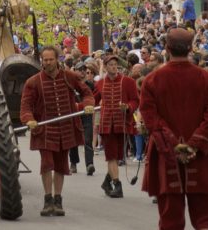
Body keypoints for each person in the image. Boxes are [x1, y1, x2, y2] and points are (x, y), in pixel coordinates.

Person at [140, 27, 208, 230]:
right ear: (191, 48)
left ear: (166, 48)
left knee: (170, 221)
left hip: (166, 157)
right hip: (201, 155)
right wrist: (194, 144)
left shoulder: (151, 81)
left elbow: (152, 120)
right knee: (206, 219)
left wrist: (176, 145)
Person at [20, 45, 95, 216]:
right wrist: (29, 119)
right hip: (44, 130)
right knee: (47, 164)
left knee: (61, 166)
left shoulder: (70, 76)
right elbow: (25, 106)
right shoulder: (33, 82)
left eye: (50, 59)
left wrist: (88, 105)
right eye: (45, 60)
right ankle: (48, 200)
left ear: (57, 59)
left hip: (66, 128)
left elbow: (87, 93)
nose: (47, 63)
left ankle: (58, 200)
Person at [94, 55, 139, 198]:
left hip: (122, 123)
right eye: (111, 64)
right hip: (106, 124)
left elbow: (135, 100)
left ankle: (107, 182)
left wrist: (128, 107)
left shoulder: (128, 82)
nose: (114, 67)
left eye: (115, 64)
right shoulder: (100, 83)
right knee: (111, 156)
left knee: (118, 155)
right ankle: (117, 185)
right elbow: (92, 99)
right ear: (105, 67)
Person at [69, 61, 96, 176]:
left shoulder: (90, 85)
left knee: (88, 139)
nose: (82, 72)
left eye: (84, 70)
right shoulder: (70, 84)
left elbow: (93, 98)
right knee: (73, 140)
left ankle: (89, 164)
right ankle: (73, 163)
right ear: (74, 71)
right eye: (80, 69)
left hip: (86, 114)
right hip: (73, 115)